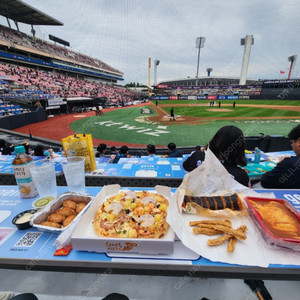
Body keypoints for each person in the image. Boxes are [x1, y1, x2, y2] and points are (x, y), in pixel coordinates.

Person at [183, 126, 249, 187]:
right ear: (239, 148)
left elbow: (185, 166)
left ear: (215, 140)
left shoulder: (197, 155)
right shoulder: (242, 175)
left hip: (191, 198)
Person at [261, 124, 300, 189]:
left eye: (292, 142)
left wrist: (281, 164)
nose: (292, 145)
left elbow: (265, 181)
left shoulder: (289, 163)